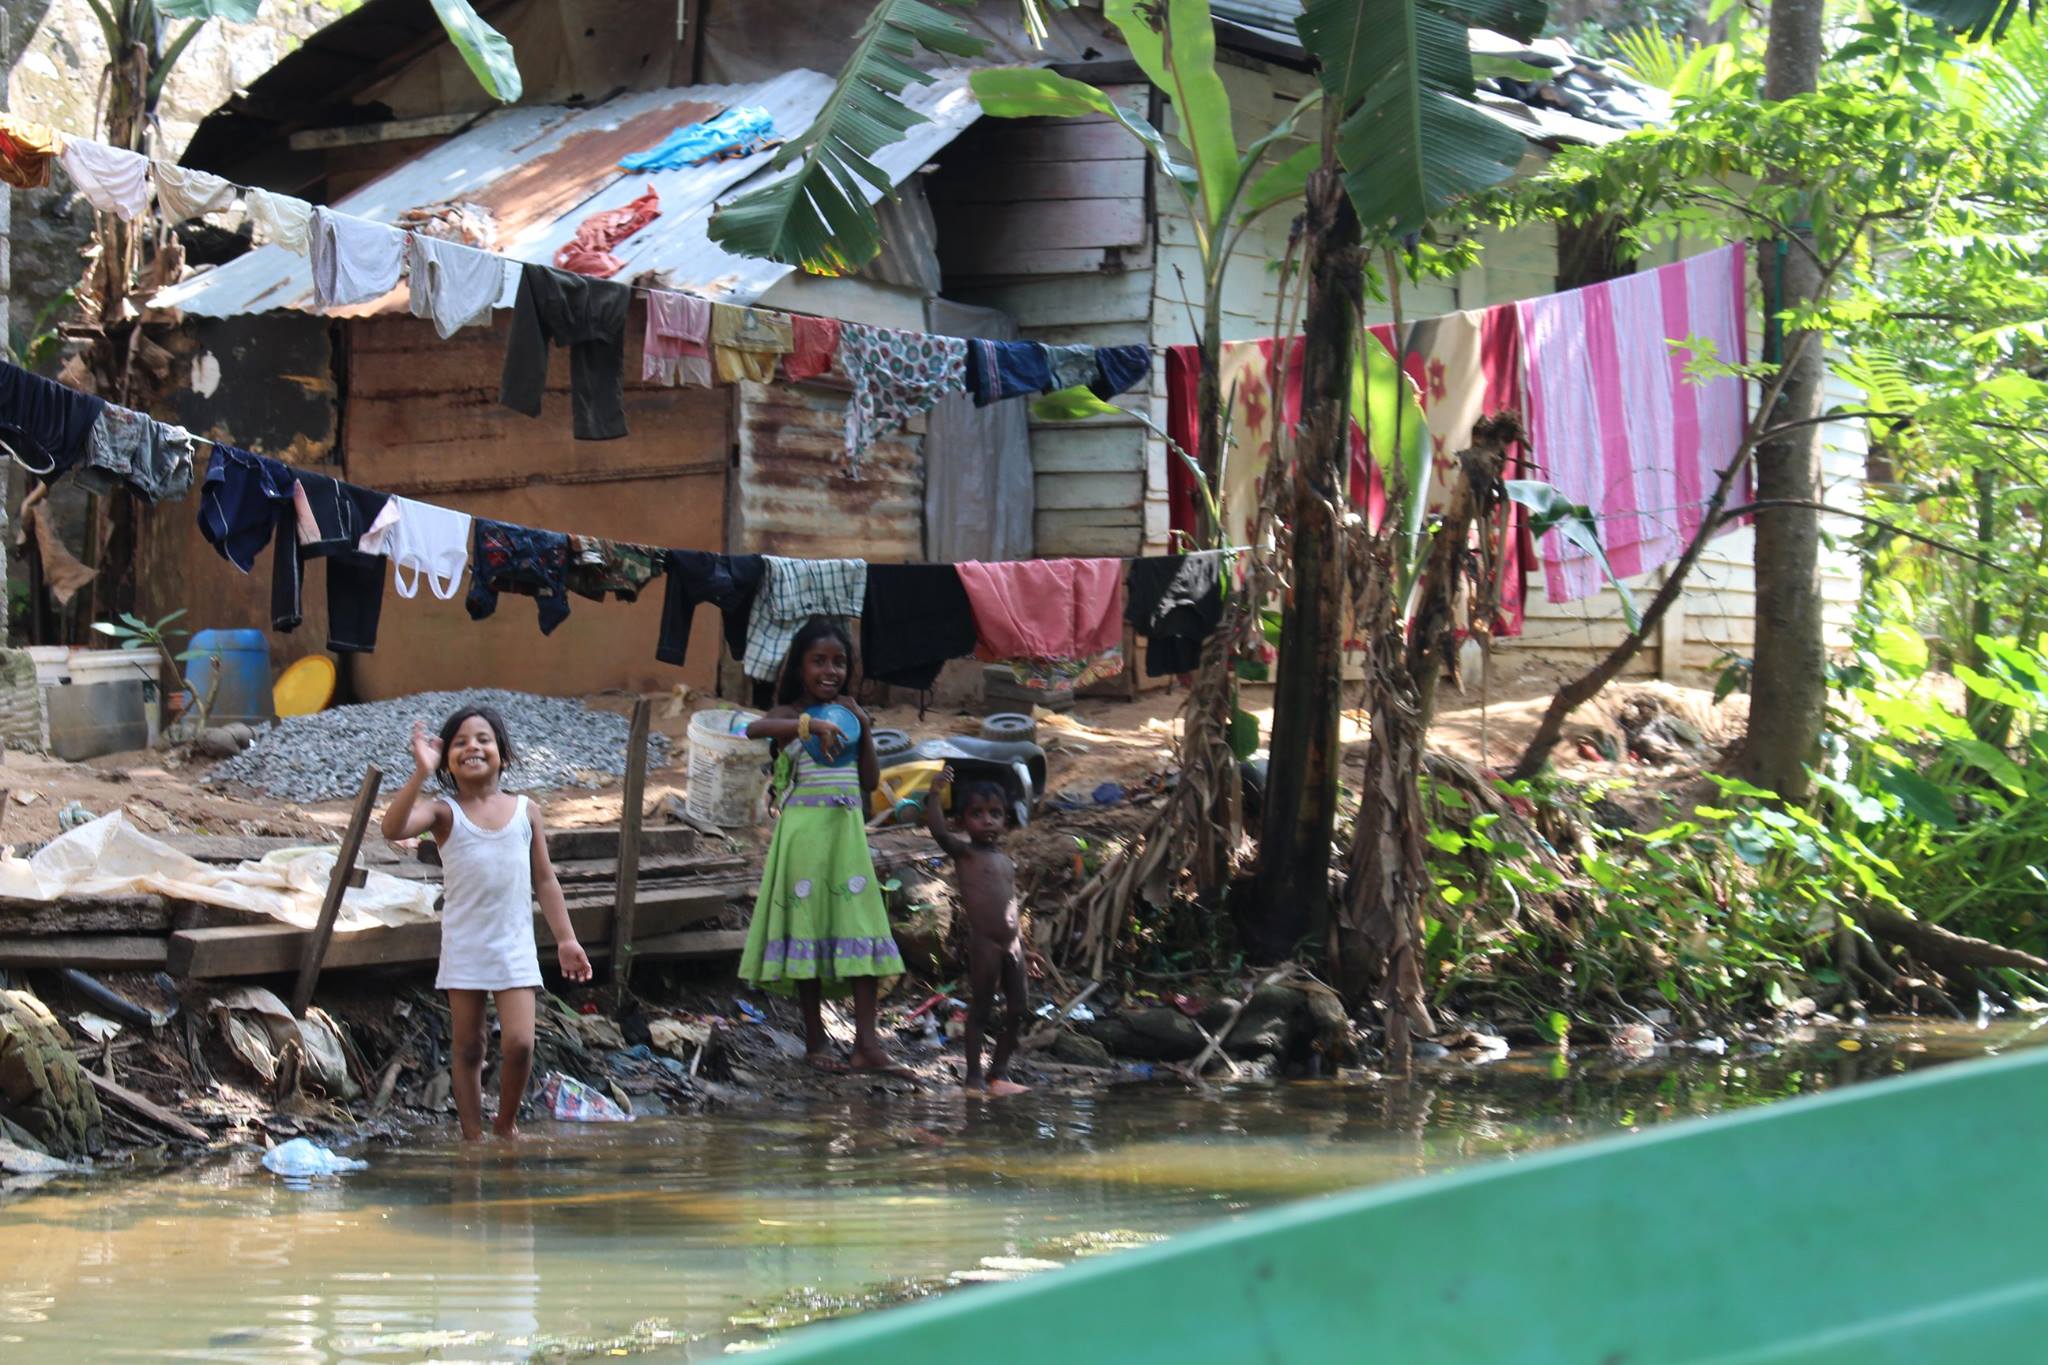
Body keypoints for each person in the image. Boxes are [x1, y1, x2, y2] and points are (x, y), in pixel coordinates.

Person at [381, 706, 592, 1139]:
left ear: (504, 755)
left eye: (483, 739)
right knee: (469, 1045)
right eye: (459, 742)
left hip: (514, 944)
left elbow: (545, 879)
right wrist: (421, 772)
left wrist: (567, 940)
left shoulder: (525, 811)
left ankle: (506, 1128)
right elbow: (393, 827)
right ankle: (473, 1136)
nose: (472, 747)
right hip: (466, 945)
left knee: (519, 1044)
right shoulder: (444, 813)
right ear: (447, 762)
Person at [737, 616, 910, 1074]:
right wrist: (809, 726)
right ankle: (816, 1042)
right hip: (804, 842)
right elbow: (753, 730)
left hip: (847, 839)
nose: (829, 671)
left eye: (838, 662)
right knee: (809, 934)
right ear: (799, 667)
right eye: (818, 662)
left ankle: (867, 1045)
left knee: (862, 929)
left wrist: (865, 727)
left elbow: (871, 782)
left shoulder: (851, 717)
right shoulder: (790, 716)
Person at [923, 767, 1030, 1095]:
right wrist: (934, 794)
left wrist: (1027, 945)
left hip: (1013, 945)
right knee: (981, 1008)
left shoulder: (1004, 858)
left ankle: (998, 1072)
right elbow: (938, 832)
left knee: (1019, 1009)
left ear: (1006, 819)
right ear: (962, 823)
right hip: (985, 944)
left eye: (995, 814)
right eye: (977, 814)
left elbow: (1010, 904)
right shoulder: (965, 853)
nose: (987, 821)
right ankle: (973, 1077)